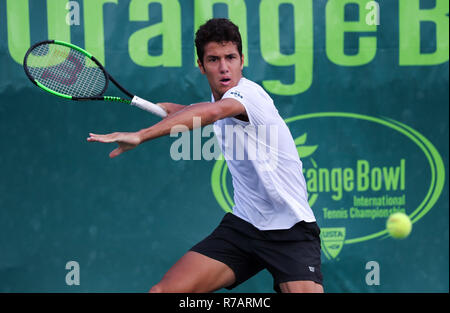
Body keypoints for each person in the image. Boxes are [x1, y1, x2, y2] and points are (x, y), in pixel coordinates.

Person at [87, 18, 323, 293]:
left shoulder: (249, 94)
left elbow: (212, 113)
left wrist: (141, 134)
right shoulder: (219, 101)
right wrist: (174, 110)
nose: (224, 67)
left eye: (230, 58)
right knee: (162, 292)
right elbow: (203, 110)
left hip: (291, 229)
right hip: (245, 226)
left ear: (242, 60)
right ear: (201, 66)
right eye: (213, 59)